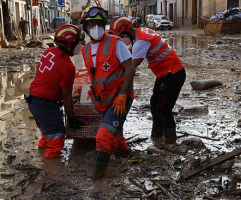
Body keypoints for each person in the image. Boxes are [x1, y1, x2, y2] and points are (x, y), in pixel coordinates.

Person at [109, 16, 186, 145]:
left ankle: (170, 143)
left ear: (127, 31)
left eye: (120, 36)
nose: (121, 40)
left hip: (173, 75)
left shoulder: (141, 42)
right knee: (154, 104)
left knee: (163, 109)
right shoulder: (140, 33)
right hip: (165, 74)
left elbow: (131, 67)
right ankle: (156, 137)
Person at [80, 6, 136, 180]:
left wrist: (123, 96)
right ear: (85, 28)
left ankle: (97, 178)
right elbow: (92, 76)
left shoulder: (115, 43)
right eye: (91, 24)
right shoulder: (85, 50)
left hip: (120, 97)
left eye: (98, 23)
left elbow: (130, 69)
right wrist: (84, 95)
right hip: (103, 100)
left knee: (103, 134)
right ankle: (124, 154)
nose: (95, 28)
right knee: (115, 130)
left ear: (104, 25)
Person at [26, 24, 85, 158]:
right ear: (69, 45)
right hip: (46, 105)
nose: (80, 45)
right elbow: (66, 95)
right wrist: (72, 118)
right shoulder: (68, 66)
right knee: (57, 136)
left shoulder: (48, 52)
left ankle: (41, 153)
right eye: (78, 42)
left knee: (48, 133)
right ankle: (50, 168)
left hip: (34, 101)